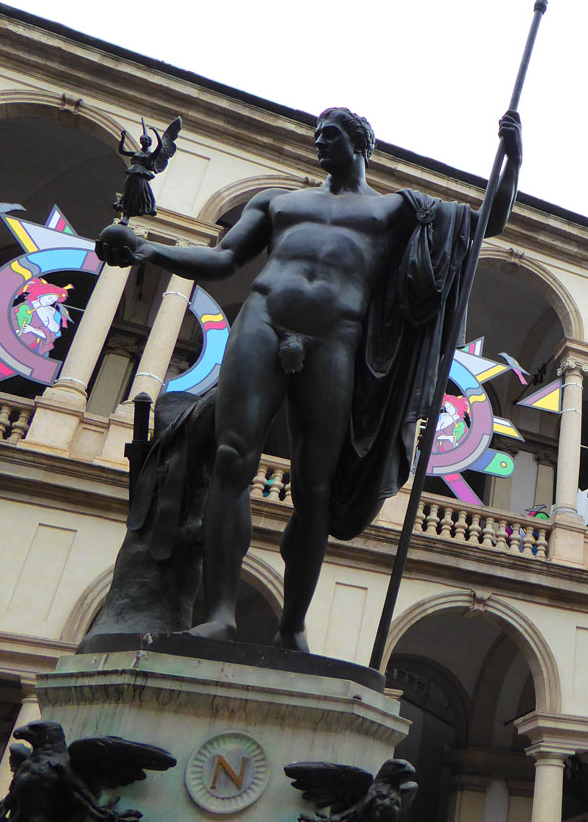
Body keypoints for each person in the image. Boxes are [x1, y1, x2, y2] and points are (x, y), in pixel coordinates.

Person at [95, 106, 522, 651]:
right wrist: (147, 249)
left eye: (332, 135)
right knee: (231, 458)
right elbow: (224, 259)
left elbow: (488, 221)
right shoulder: (278, 201)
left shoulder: (395, 209)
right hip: (265, 319)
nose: (320, 142)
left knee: (315, 487)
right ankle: (222, 613)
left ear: (361, 144)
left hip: (336, 337)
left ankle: (291, 623)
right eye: (317, 135)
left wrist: (511, 157)